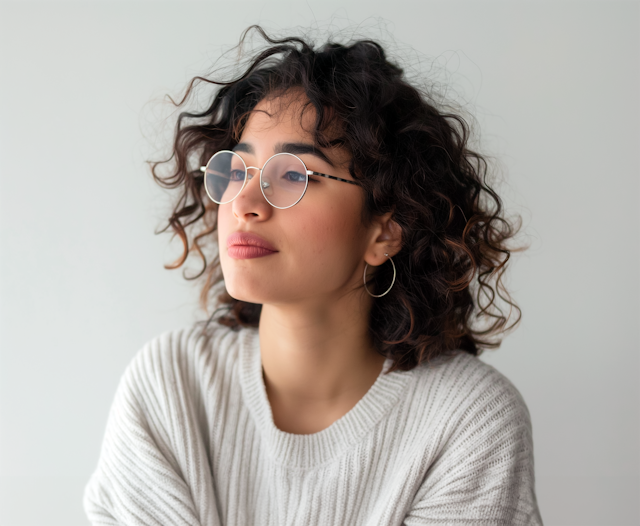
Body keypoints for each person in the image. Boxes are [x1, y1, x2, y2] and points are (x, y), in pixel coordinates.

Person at [84, 26, 543, 525]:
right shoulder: (171, 384)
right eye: (237, 170)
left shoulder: (469, 421)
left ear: (385, 230)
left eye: (293, 175)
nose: (245, 203)